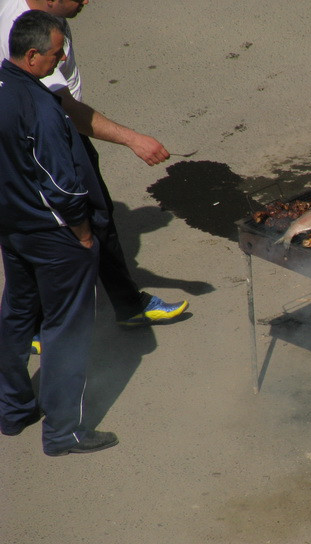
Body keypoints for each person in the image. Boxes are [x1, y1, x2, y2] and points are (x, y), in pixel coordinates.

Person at [0, 0, 187, 340]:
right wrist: (134, 140)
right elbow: (68, 109)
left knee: (27, 238)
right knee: (84, 221)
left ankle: (34, 329)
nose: (88, 1)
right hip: (46, 135)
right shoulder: (29, 36)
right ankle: (46, 329)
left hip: (25, 131)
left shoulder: (35, 14)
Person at [0, 9, 117, 455]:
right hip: (53, 235)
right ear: (31, 55)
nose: (61, 58)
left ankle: (12, 410)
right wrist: (83, 232)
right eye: (55, 53)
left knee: (16, 316)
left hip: (12, 230)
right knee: (66, 329)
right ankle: (63, 431)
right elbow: (63, 183)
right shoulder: (41, 108)